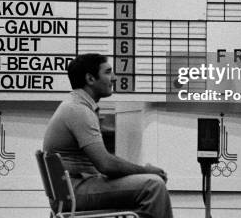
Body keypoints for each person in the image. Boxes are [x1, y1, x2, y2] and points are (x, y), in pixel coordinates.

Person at [42, 53, 173, 218]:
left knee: (148, 183)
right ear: (90, 78)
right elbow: (106, 165)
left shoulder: (76, 105)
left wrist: (141, 172)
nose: (114, 78)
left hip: (72, 189)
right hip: (75, 192)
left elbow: (104, 163)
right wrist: (145, 171)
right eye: (108, 72)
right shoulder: (78, 110)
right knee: (153, 185)